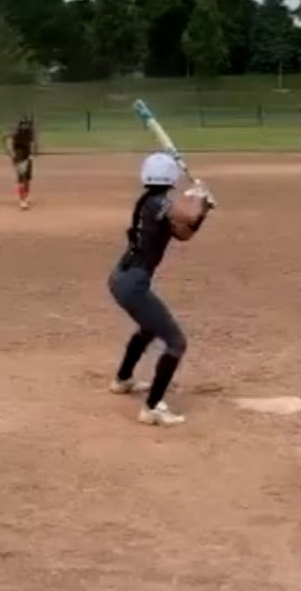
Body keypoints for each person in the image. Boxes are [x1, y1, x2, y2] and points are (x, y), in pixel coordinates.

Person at [107, 151, 212, 427]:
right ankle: (151, 408)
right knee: (176, 343)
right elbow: (187, 213)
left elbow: (183, 232)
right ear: (171, 177)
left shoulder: (151, 202)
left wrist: (203, 211)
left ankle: (123, 379)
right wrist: (199, 197)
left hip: (123, 279)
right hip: (132, 284)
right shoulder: (158, 203)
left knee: (150, 328)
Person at [4, 115, 38, 210]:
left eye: (26, 125)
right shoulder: (17, 135)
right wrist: (10, 153)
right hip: (19, 159)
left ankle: (25, 196)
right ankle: (22, 200)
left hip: (27, 158)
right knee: (22, 179)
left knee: (27, 179)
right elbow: (6, 139)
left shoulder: (29, 134)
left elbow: (33, 145)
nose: (25, 127)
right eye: (23, 125)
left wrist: (32, 154)